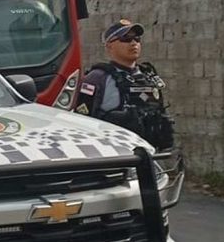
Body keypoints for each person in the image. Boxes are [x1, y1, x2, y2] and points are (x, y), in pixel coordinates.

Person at [75, 19, 175, 152]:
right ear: (109, 46)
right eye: (126, 39)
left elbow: (157, 111)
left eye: (137, 39)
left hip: (150, 155)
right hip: (113, 156)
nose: (133, 43)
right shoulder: (97, 78)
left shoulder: (148, 76)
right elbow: (82, 121)